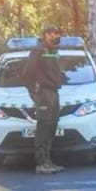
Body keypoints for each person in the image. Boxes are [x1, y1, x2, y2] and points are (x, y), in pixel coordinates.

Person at [23, 24, 65, 174]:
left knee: (52, 125)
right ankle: (41, 163)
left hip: (54, 92)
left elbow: (54, 71)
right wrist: (35, 92)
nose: (55, 36)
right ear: (45, 35)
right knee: (43, 127)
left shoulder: (54, 51)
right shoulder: (37, 51)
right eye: (52, 34)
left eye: (57, 33)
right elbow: (28, 73)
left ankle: (48, 160)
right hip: (44, 93)